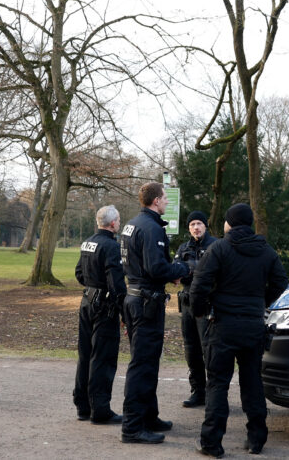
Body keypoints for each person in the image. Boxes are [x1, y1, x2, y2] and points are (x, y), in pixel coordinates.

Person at [189, 203, 289, 458]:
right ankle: (256, 439)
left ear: (230, 223)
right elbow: (281, 282)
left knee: (218, 384)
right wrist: (261, 301)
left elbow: (199, 285)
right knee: (252, 381)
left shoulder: (219, 249)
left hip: (222, 324)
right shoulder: (265, 251)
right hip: (253, 325)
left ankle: (212, 442)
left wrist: (200, 311)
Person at [119, 181, 191, 444]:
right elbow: (156, 268)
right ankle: (133, 428)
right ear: (156, 201)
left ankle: (149, 416)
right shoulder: (151, 228)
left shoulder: (133, 223)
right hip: (146, 303)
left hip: (136, 298)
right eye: (165, 198)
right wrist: (183, 270)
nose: (167, 202)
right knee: (143, 365)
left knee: (146, 362)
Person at [72, 205, 126, 425]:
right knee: (102, 358)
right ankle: (100, 409)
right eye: (119, 220)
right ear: (112, 223)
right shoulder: (111, 246)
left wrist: (92, 286)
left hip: (86, 302)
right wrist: (123, 309)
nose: (120, 223)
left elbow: (79, 273)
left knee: (85, 354)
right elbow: (116, 283)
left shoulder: (88, 242)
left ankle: (83, 406)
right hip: (104, 306)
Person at [174, 210, 218, 408]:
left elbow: (212, 272)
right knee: (191, 350)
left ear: (205, 226)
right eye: (192, 225)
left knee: (208, 349)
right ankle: (197, 391)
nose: (196, 228)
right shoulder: (184, 247)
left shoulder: (215, 245)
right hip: (186, 305)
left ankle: (213, 393)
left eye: (199, 223)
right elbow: (174, 270)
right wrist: (193, 269)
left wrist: (189, 269)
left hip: (207, 305)